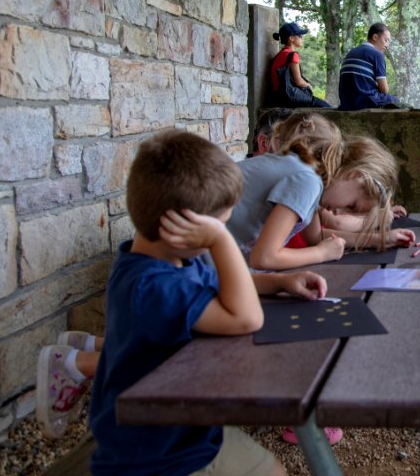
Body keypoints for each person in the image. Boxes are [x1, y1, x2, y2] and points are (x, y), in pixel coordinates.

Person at [88, 129, 327, 475]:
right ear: (186, 228)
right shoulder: (153, 286)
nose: (224, 232)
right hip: (158, 451)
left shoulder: (174, 262)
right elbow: (246, 318)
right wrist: (220, 242)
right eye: (221, 225)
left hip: (188, 422)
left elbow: (221, 288)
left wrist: (279, 282)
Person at [227, 113, 414, 271]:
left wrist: (380, 240)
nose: (340, 212)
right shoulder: (308, 181)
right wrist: (322, 254)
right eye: (352, 205)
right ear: (354, 174)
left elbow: (315, 237)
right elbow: (264, 258)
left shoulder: (308, 175)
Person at [338, 22, 401, 110]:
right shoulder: (377, 54)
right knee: (396, 101)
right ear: (375, 37)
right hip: (364, 102)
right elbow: (384, 90)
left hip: (346, 103)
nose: (387, 45)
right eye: (386, 40)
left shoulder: (351, 52)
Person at [270, 21, 330, 108]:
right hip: (288, 98)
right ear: (291, 38)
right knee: (328, 108)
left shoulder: (279, 55)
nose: (302, 38)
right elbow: (299, 81)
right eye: (300, 36)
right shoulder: (292, 55)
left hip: (278, 98)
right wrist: (309, 86)